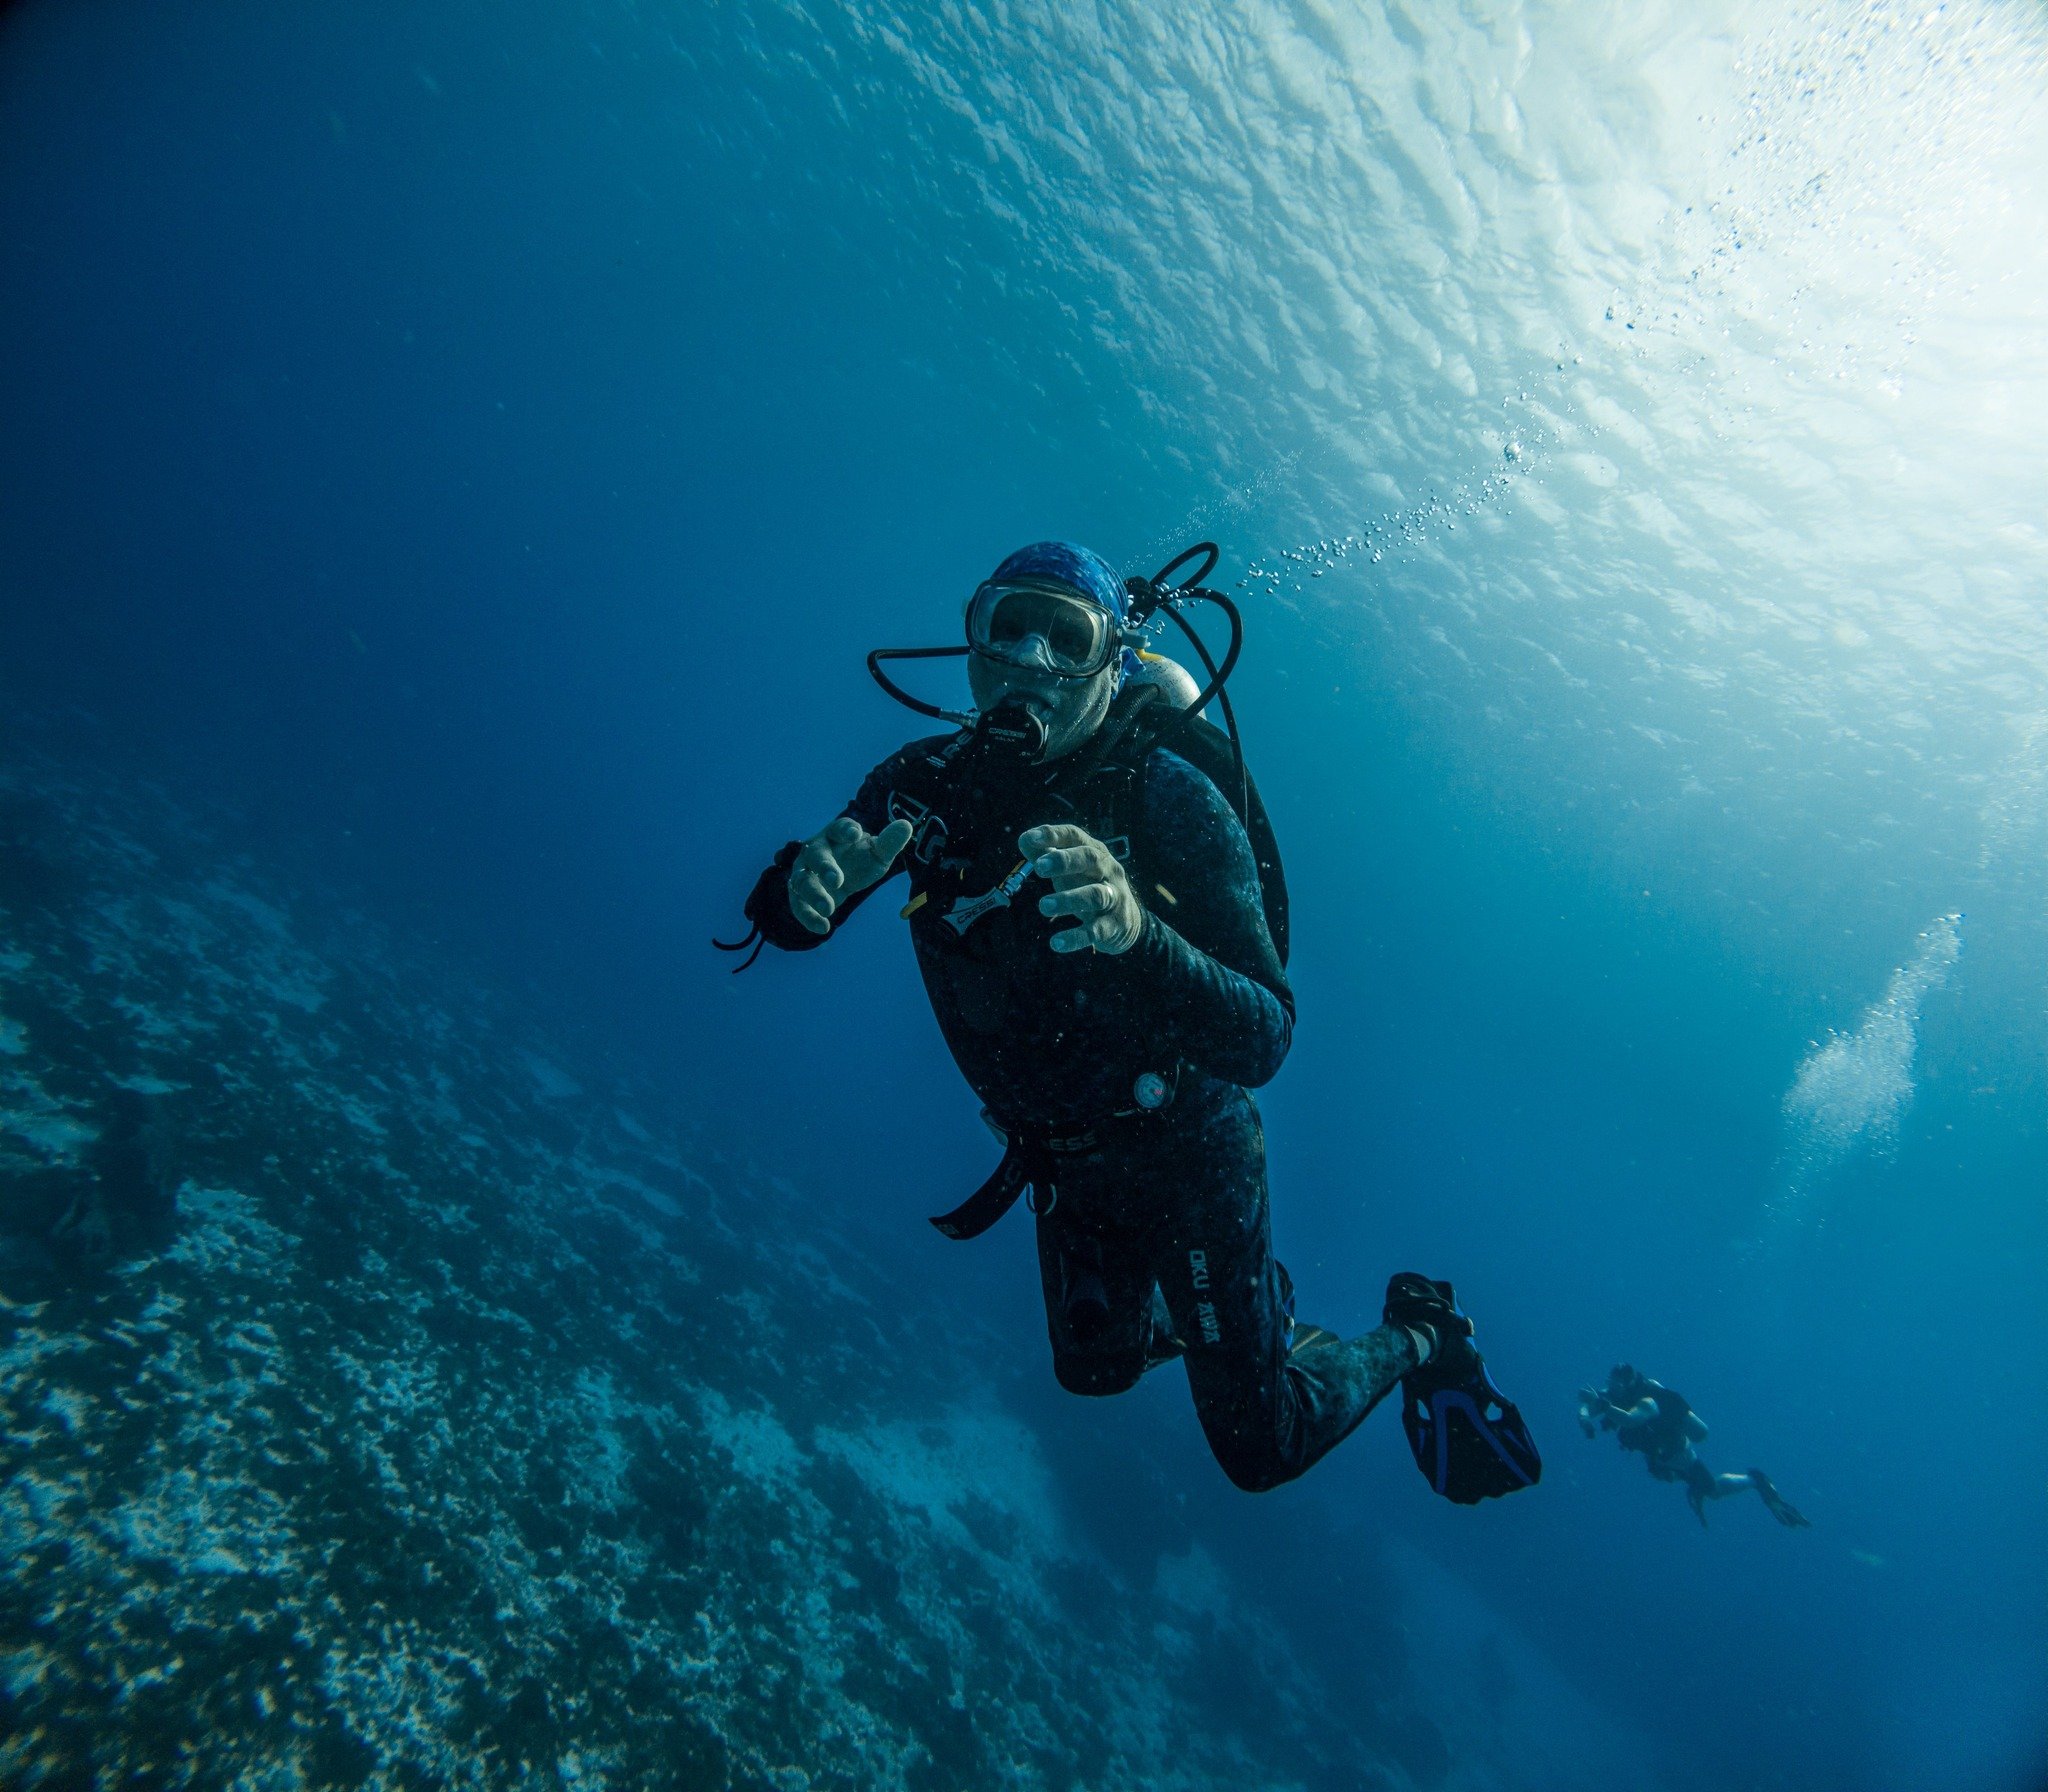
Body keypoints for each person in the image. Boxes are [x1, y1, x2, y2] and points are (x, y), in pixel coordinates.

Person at [721, 539, 1540, 1501]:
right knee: (1093, 1372)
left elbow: (1267, 1036)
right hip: (1060, 1153)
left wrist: (1140, 935)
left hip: (1189, 1147)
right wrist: (794, 896)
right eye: (1006, 626)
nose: (1029, 659)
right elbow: (805, 900)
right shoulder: (922, 783)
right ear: (972, 643)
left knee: (1258, 1446)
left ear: (1112, 663)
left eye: (1065, 637)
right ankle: (1252, 1316)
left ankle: (1419, 1335)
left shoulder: (1169, 801)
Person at [1579, 1364, 1809, 1528]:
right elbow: (1588, 1407)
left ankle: (1756, 1480)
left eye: (1618, 1385)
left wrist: (1603, 1406)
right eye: (1612, 1384)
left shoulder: (1647, 1402)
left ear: (1629, 1384)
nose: (1613, 1389)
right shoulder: (1613, 1397)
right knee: (1689, 1483)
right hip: (1662, 1458)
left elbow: (1630, 1419)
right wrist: (1585, 1418)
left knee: (1713, 1490)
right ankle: (1703, 1487)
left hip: (1680, 1455)